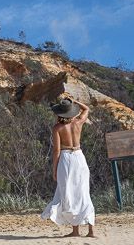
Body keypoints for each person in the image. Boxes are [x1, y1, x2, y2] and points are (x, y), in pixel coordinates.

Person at [41, 95, 95, 237]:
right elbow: (86, 108)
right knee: (84, 193)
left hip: (66, 159)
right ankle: (91, 230)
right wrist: (74, 101)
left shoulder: (57, 128)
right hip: (79, 157)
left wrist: (54, 169)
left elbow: (56, 151)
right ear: (71, 111)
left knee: (69, 193)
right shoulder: (78, 122)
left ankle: (75, 230)